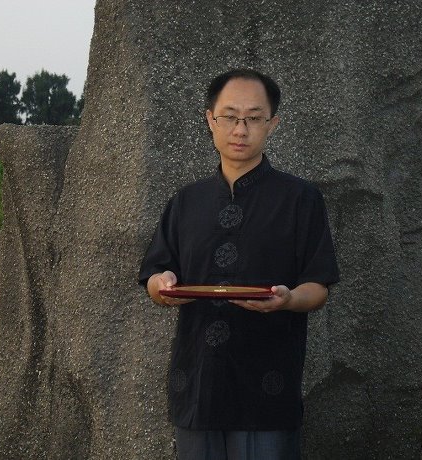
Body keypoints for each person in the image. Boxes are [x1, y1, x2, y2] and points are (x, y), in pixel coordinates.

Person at [138, 68, 339, 460]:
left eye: (253, 117)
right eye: (229, 116)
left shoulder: (301, 198)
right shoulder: (186, 201)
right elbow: (154, 274)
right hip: (196, 384)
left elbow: (318, 287)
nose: (240, 129)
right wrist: (161, 287)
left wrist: (288, 299)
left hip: (267, 386)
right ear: (210, 120)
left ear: (273, 123)